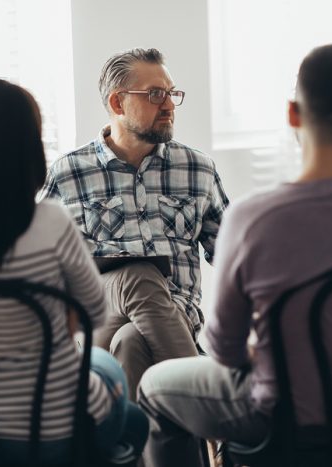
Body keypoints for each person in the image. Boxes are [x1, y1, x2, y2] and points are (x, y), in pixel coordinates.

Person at [137, 44, 332, 467]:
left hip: (280, 421)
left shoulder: (254, 218)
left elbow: (224, 349)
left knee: (152, 387)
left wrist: (266, 348)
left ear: (293, 114)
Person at [0, 79, 148, 464]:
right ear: (29, 149)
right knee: (126, 406)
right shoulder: (52, 222)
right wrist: (44, 322)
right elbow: (93, 313)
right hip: (62, 428)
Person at [39, 48, 229, 399]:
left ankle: (138, 453)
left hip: (177, 317)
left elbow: (230, 255)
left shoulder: (198, 169)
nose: (169, 104)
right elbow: (41, 267)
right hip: (97, 319)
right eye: (156, 94)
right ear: (117, 103)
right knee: (139, 277)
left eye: (172, 93)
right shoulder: (68, 173)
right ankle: (208, 407)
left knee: (131, 341)